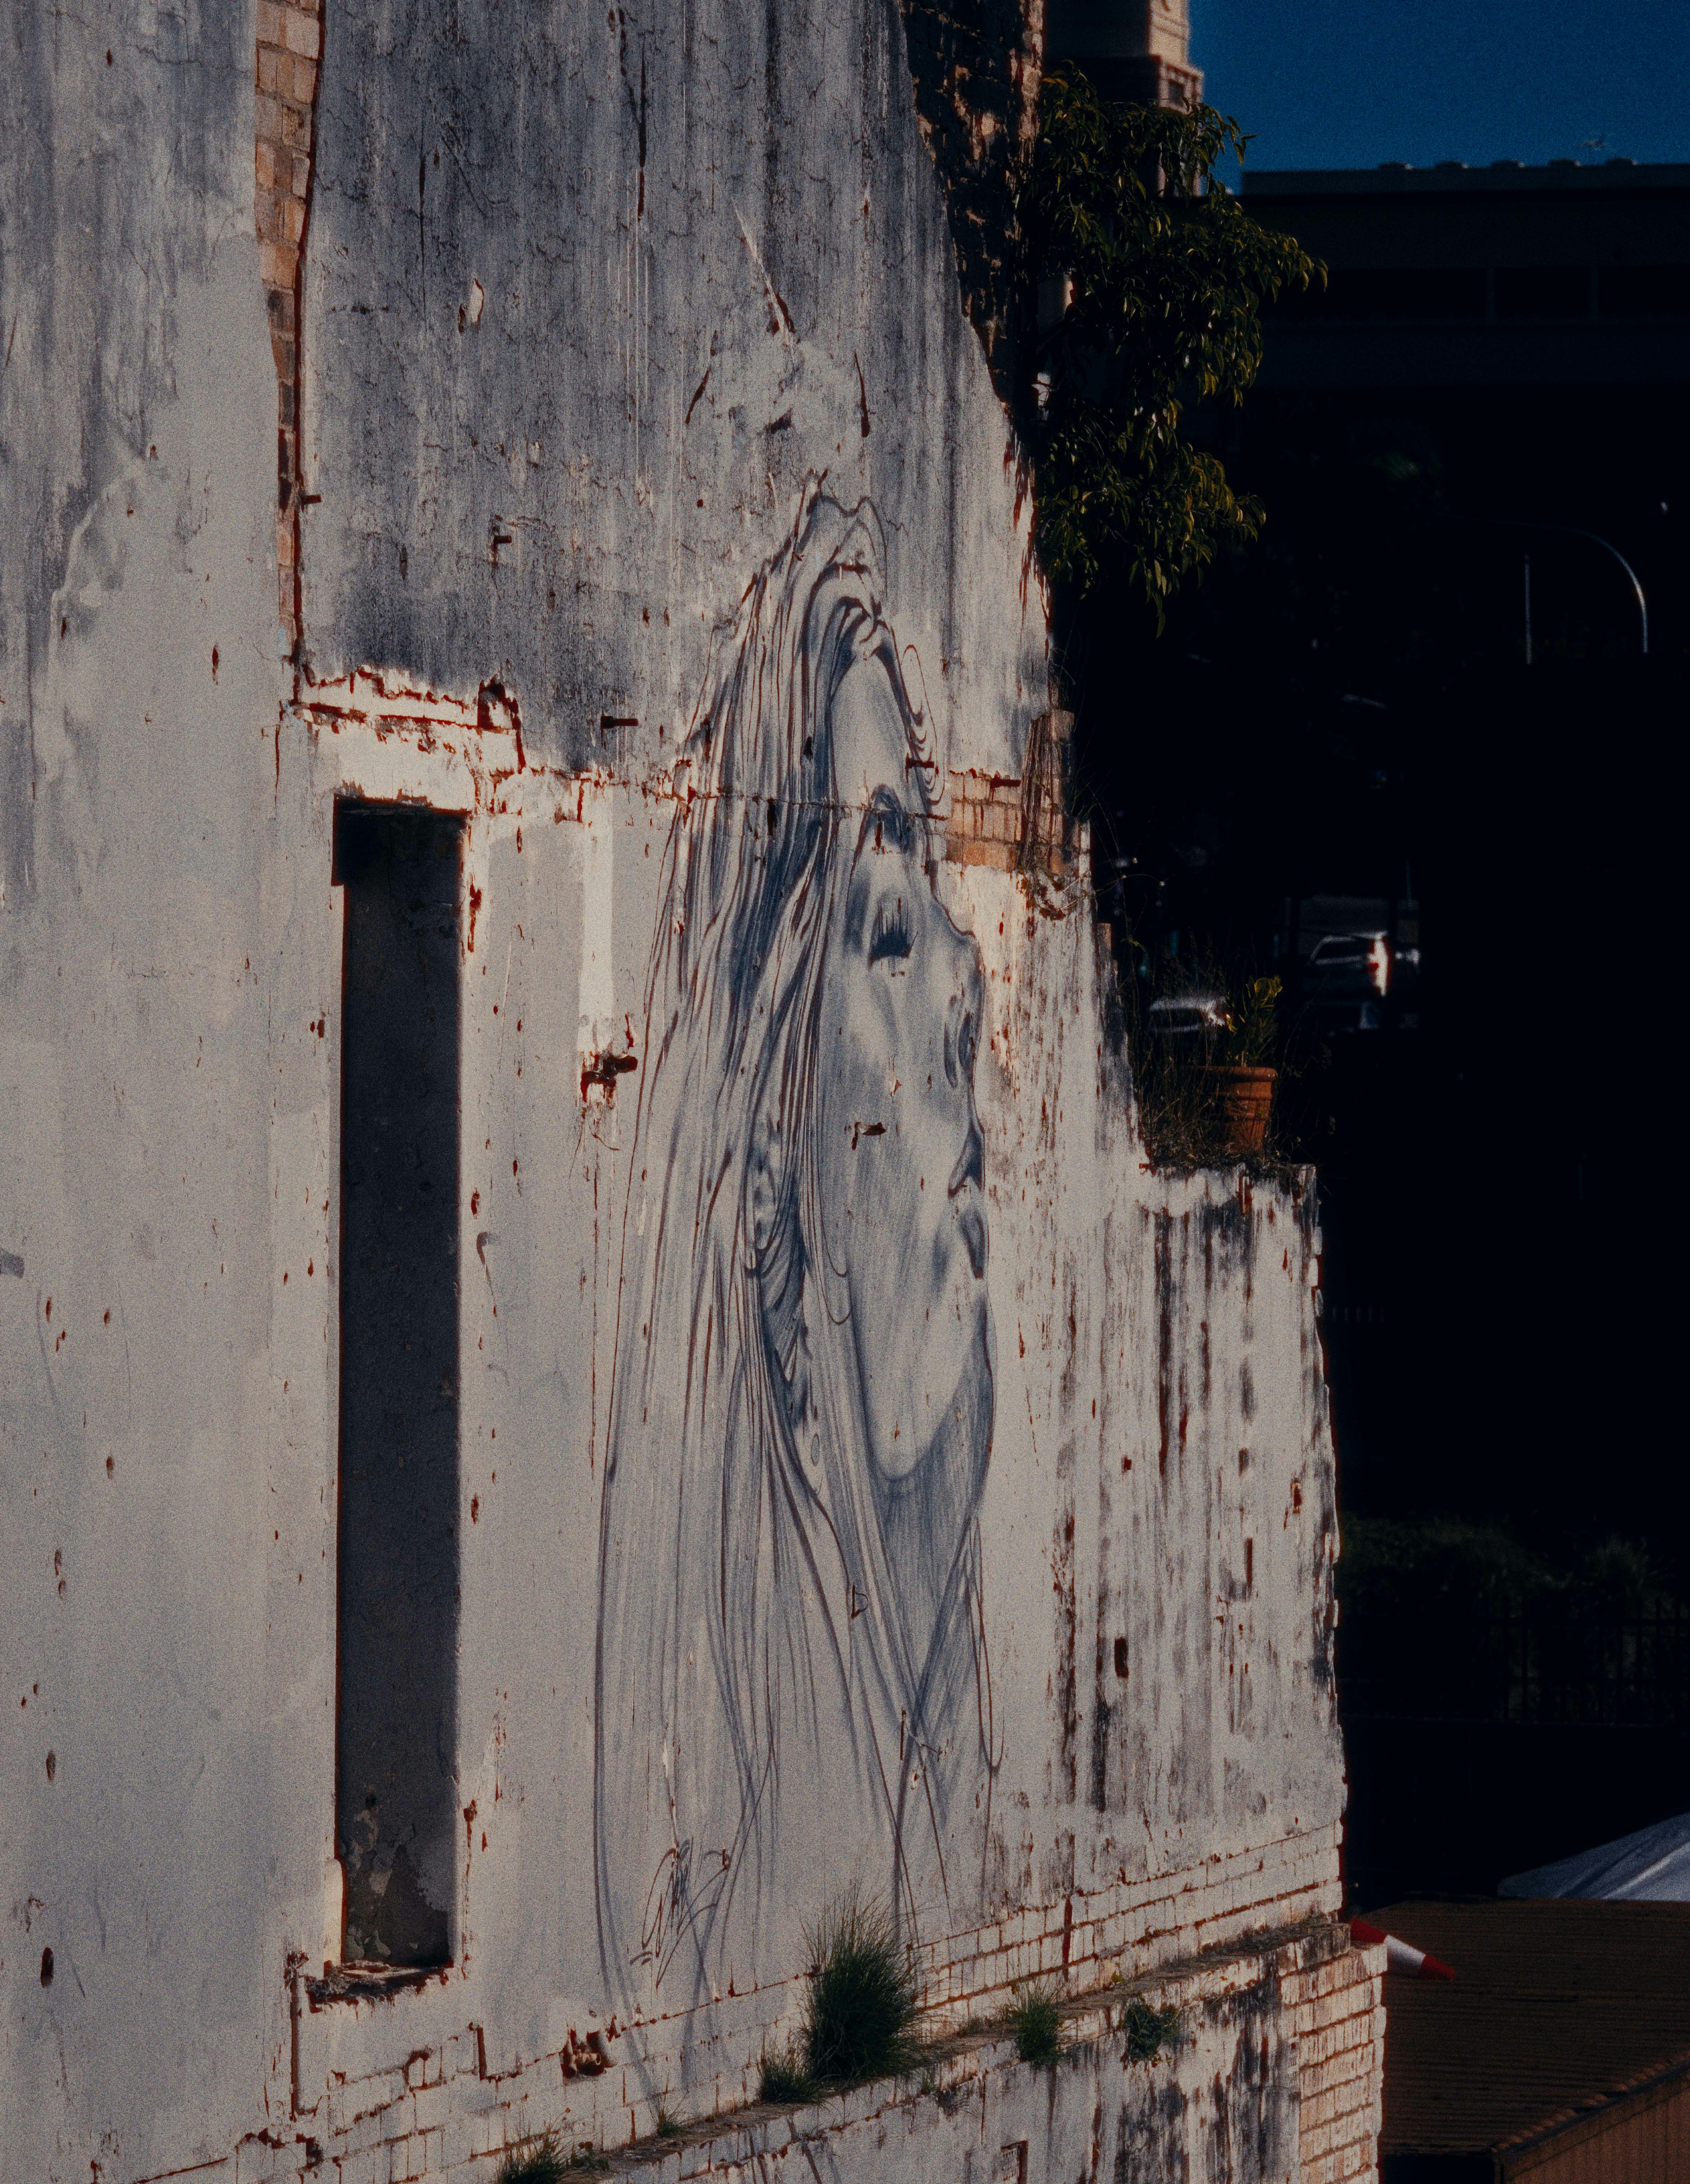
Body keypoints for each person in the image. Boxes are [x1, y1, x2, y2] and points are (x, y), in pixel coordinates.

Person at [593, 494, 998, 2025]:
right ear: (765, 1213)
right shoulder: (727, 1917)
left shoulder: (944, 1774)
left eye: (937, 908)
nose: (965, 982)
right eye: (890, 935)